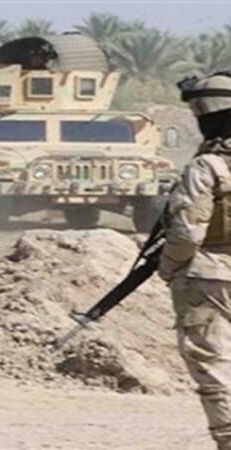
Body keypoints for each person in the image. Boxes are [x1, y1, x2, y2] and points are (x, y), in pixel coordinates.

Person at [160, 72, 231, 450]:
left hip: (210, 278)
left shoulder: (209, 167)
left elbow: (188, 233)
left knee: (213, 364)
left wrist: (168, 266)